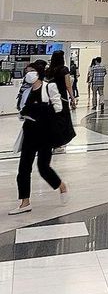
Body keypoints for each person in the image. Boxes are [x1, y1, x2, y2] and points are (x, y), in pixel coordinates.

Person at [11, 62, 69, 215]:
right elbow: (21, 111)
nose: (28, 74)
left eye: (31, 71)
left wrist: (39, 109)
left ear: (38, 73)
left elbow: (58, 108)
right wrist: (25, 113)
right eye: (27, 72)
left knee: (43, 167)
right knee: (24, 168)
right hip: (29, 132)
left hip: (45, 132)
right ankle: (25, 202)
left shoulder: (49, 87)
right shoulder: (26, 91)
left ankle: (61, 186)